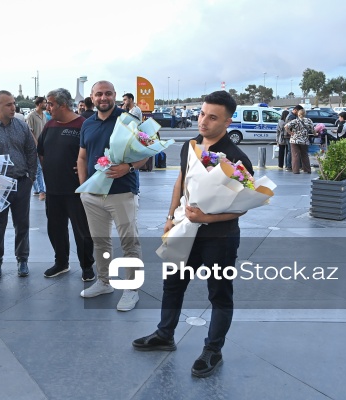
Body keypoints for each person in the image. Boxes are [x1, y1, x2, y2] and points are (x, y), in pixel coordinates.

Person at [133, 91, 253, 378]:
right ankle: (165, 334)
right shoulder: (191, 146)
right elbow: (181, 181)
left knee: (219, 293)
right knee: (173, 284)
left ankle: (213, 349)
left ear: (227, 121)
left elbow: (244, 206)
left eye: (213, 117)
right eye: (202, 114)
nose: (203, 121)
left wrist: (208, 217)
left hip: (220, 236)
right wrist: (169, 216)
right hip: (185, 228)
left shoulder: (236, 158)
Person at [77, 80, 148, 312]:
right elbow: (81, 157)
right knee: (100, 241)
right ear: (92, 97)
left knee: (129, 242)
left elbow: (146, 154)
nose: (103, 98)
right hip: (93, 194)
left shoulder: (128, 121)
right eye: (99, 94)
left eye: (108, 94)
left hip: (122, 192)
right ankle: (104, 281)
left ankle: (131, 288)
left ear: (115, 95)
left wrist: (128, 167)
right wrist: (84, 188)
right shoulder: (87, 124)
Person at [37, 88, 95, 281]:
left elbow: (94, 154)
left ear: (63, 105)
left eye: (51, 104)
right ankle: (61, 262)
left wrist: (85, 170)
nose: (48, 107)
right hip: (53, 190)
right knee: (55, 228)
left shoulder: (83, 125)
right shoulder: (49, 125)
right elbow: (42, 152)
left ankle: (87, 266)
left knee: (82, 231)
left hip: (76, 191)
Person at [0, 90, 37, 279]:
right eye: (9, 104)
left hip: (21, 182)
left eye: (13, 103)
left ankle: (22, 260)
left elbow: (31, 151)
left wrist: (31, 177)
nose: (13, 107)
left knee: (22, 223)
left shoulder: (21, 126)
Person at [26, 96, 47, 201]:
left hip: (43, 145)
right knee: (38, 169)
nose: (46, 104)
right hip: (34, 147)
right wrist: (36, 144)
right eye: (44, 102)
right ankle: (42, 191)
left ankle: (36, 189)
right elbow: (30, 132)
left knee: (37, 169)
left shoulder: (44, 115)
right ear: (39, 104)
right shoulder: (31, 116)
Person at [285, 108, 312, 174]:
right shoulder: (309, 121)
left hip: (295, 140)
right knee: (305, 155)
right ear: (305, 114)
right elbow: (313, 129)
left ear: (298, 114)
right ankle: (307, 169)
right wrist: (315, 134)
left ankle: (296, 170)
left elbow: (286, 126)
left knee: (295, 155)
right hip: (304, 140)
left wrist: (290, 132)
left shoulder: (295, 121)